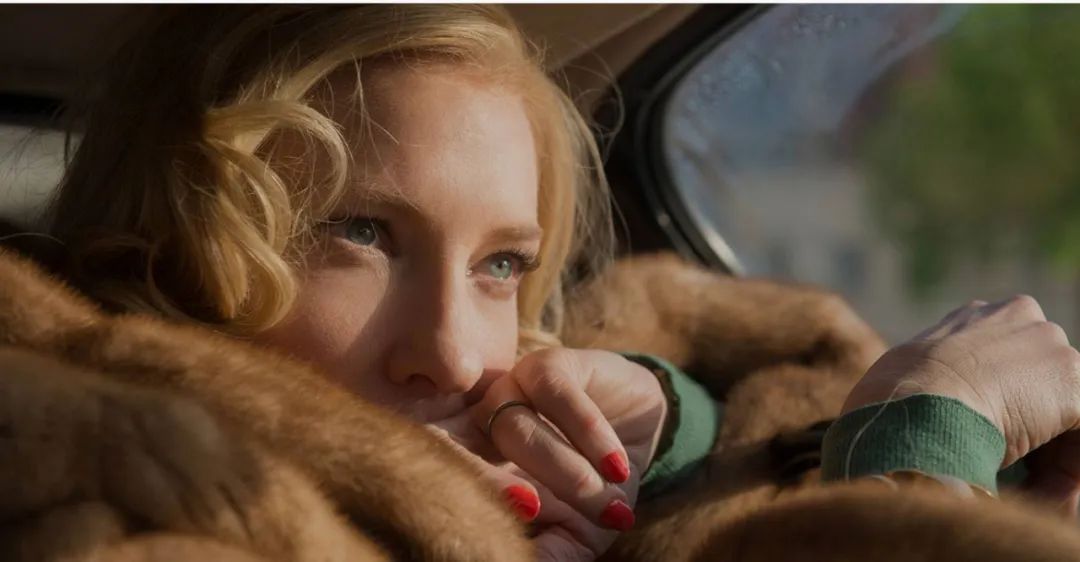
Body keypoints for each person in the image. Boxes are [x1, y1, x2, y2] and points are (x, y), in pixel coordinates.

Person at [36, 4, 1080, 560]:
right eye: (359, 234)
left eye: (501, 264)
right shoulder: (98, 515)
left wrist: (676, 427)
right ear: (171, 259)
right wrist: (920, 445)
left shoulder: (522, 454)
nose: (456, 354)